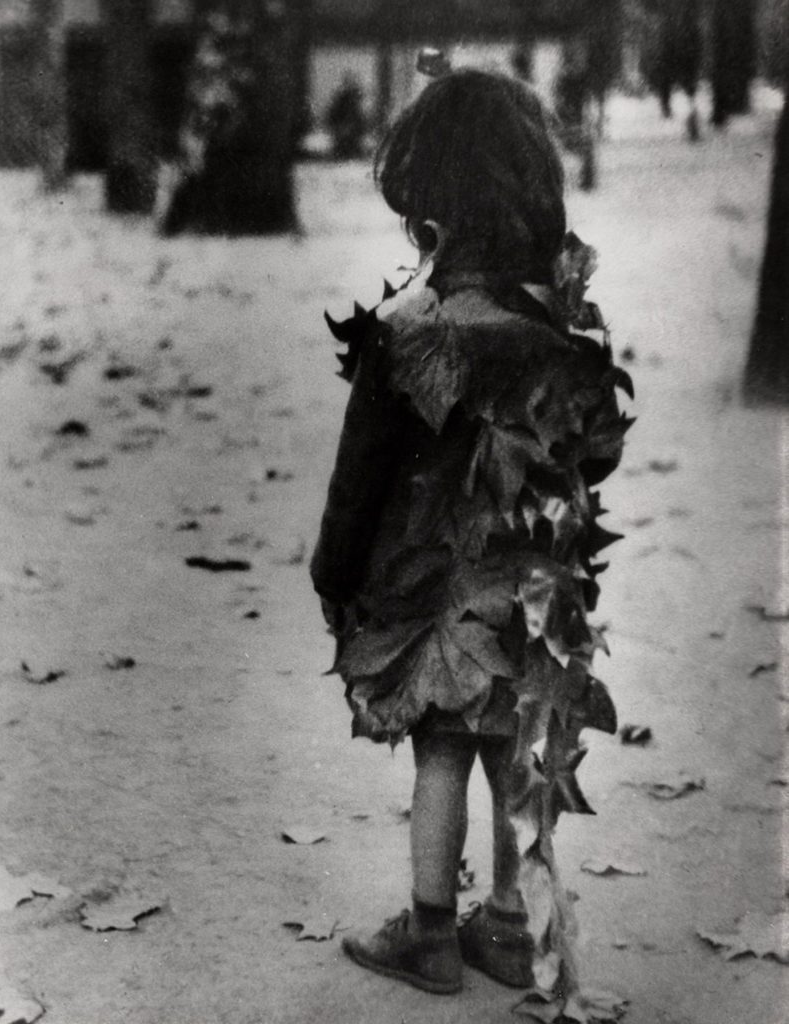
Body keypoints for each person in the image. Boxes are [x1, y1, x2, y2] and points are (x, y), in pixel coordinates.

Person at [310, 68, 633, 1007]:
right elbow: (591, 462)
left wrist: (335, 571)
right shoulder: (566, 335)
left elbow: (359, 474)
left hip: (433, 594)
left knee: (441, 752)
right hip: (532, 589)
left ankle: (428, 932)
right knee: (511, 750)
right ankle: (503, 918)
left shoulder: (408, 335)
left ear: (425, 203)